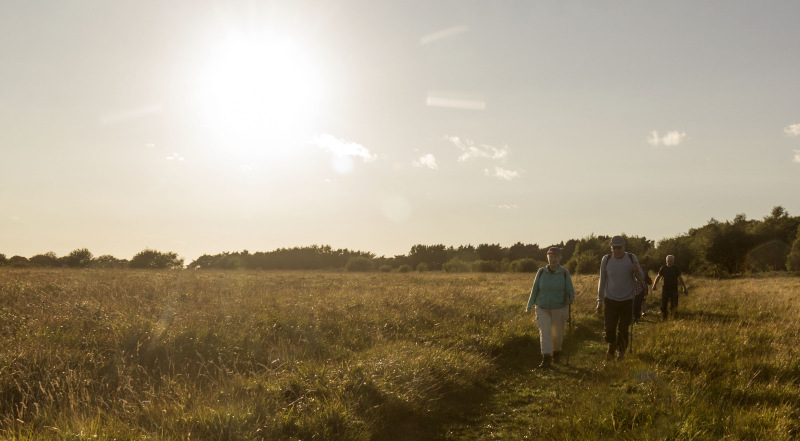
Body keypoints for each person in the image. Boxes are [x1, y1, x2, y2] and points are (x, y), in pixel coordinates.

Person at [526, 247, 575, 368]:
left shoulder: (564, 272)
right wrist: (529, 306)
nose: (552, 259)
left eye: (555, 257)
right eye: (550, 257)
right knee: (545, 331)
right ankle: (546, 358)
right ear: (547, 258)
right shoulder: (541, 271)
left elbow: (570, 289)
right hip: (542, 307)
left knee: (557, 334)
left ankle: (557, 352)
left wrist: (571, 297)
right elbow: (535, 289)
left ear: (559, 258)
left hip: (560, 307)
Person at [596, 236, 644, 361]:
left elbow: (641, 278)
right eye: (614, 247)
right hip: (610, 300)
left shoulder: (631, 258)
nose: (616, 250)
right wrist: (600, 301)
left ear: (624, 247)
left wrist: (637, 270)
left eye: (619, 247)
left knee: (623, 328)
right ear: (611, 248)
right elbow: (602, 280)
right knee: (610, 328)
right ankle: (612, 345)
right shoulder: (606, 260)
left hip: (627, 300)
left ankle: (621, 352)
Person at [652, 255, 688, 320]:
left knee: (674, 304)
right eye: (668, 261)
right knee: (664, 304)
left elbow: (680, 278)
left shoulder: (676, 268)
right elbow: (658, 277)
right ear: (666, 261)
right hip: (665, 289)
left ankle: (674, 318)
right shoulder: (663, 268)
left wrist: (684, 287)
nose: (669, 262)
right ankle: (664, 318)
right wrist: (654, 285)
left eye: (671, 261)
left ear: (673, 261)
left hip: (674, 289)